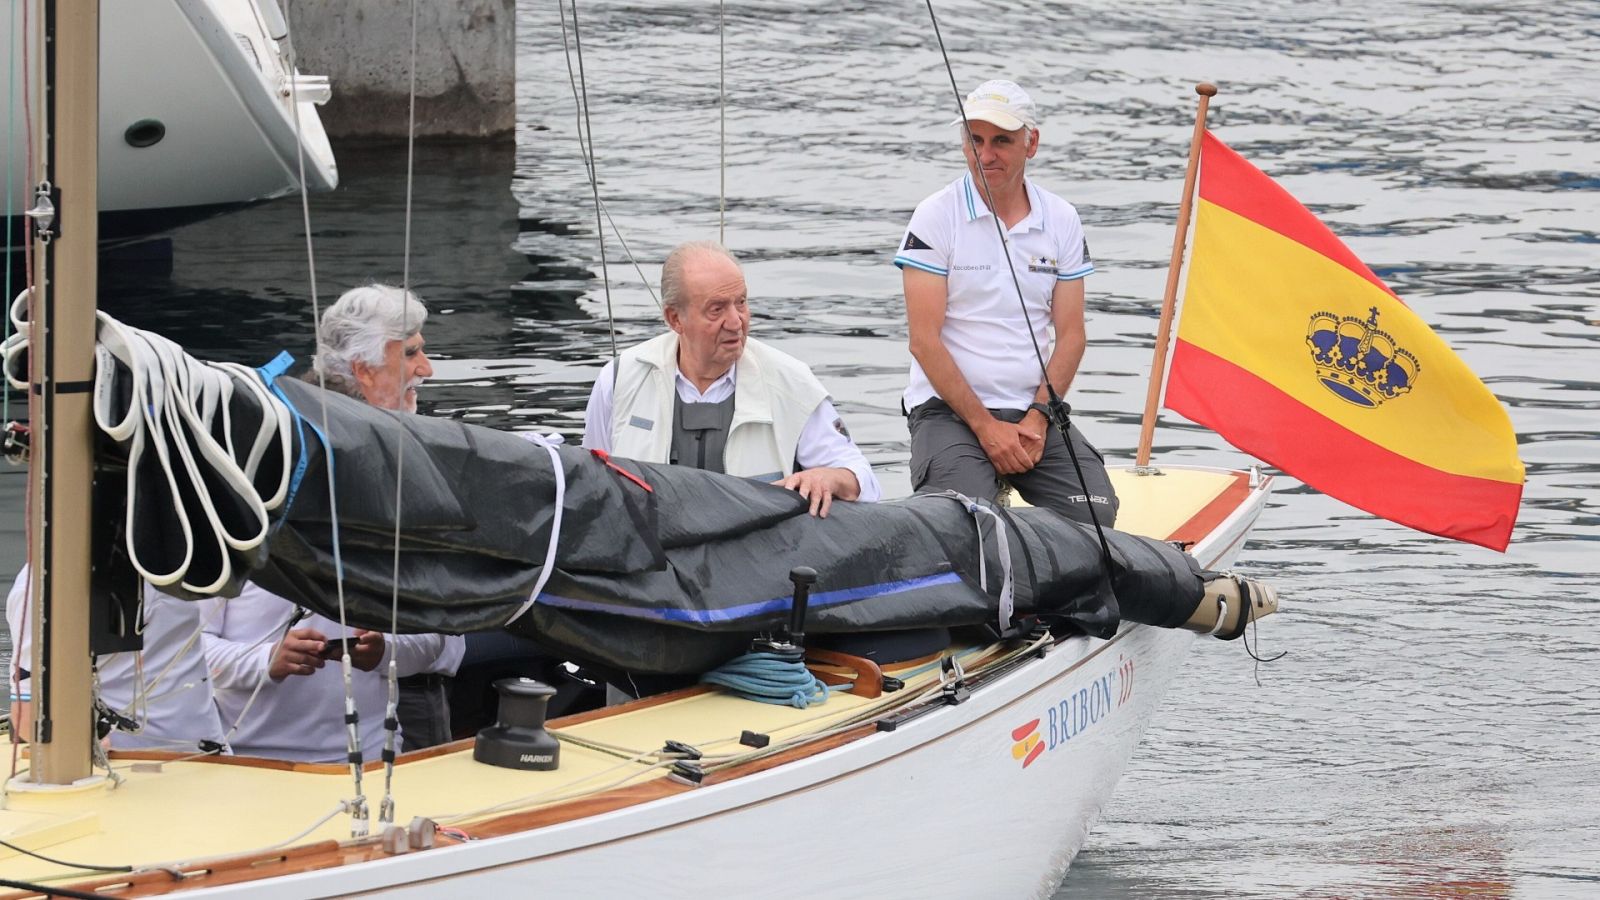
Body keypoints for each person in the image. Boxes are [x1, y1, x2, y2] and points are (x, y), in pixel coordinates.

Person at [893, 79, 1118, 525]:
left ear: (1031, 143)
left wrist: (1038, 418)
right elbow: (924, 342)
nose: (985, 154)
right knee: (964, 521)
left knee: (1097, 514)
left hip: (1033, 413)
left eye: (1001, 141)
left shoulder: (1062, 218)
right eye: (974, 140)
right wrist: (985, 428)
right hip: (948, 412)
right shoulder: (935, 215)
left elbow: (1071, 337)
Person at [584, 241, 881, 518]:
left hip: (758, 563)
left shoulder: (792, 384)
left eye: (741, 302)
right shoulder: (619, 379)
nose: (736, 321)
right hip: (649, 565)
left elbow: (865, 482)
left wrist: (828, 477)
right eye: (717, 309)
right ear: (675, 319)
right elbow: (590, 483)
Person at [303, 283, 465, 749]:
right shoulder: (295, 455)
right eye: (411, 353)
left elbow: (452, 629)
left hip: (405, 699)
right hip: (288, 726)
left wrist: (387, 650)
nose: (427, 370)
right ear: (364, 371)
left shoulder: (426, 459)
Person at [7, 566, 229, 754]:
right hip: (126, 769)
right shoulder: (45, 582)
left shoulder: (171, 550)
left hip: (208, 756)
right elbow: (29, 717)